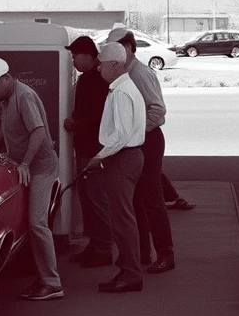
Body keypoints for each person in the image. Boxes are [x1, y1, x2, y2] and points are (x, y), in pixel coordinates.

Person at [0, 57, 63, 301]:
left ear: (7, 78)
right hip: (27, 166)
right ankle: (44, 275)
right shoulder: (7, 98)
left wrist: (25, 163)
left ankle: (52, 283)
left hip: (41, 167)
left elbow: (38, 131)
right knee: (30, 223)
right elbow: (6, 134)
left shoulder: (23, 97)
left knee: (37, 223)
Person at [106, 27, 175, 273]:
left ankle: (165, 254)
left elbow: (157, 109)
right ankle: (142, 252)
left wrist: (135, 131)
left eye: (113, 49)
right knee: (135, 199)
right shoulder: (124, 72)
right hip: (136, 140)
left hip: (148, 140)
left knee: (152, 198)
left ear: (126, 47)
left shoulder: (140, 73)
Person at [84, 43, 147, 292]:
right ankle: (127, 268)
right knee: (123, 216)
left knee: (122, 218)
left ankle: (131, 273)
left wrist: (98, 157)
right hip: (127, 156)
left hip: (122, 158)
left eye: (101, 63)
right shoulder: (124, 87)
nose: (98, 68)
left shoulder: (121, 92)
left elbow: (120, 135)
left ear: (114, 65)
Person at [62, 35, 114, 268]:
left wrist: (77, 123)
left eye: (75, 56)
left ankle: (103, 248)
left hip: (94, 151)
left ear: (88, 55)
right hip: (84, 148)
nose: (73, 61)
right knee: (87, 200)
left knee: (97, 199)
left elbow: (100, 118)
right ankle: (93, 245)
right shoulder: (86, 79)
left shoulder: (99, 80)